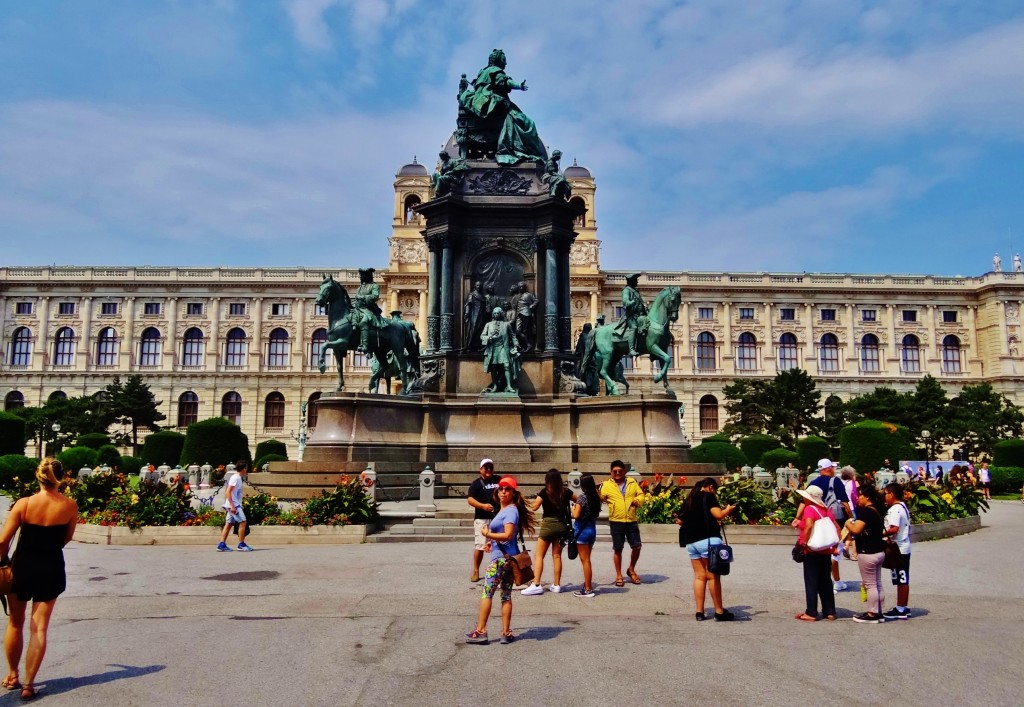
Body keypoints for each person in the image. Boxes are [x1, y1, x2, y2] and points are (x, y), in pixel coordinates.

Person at [0, 458, 78, 700]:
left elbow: (3, 541)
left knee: (15, 622)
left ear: (38, 476)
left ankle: (13, 675)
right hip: (51, 568)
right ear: (62, 477)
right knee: (39, 628)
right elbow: (67, 538)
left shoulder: (24, 504)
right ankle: (29, 684)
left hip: (21, 568)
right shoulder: (70, 506)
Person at [465, 476, 536, 645]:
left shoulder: (510, 511)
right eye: (501, 488)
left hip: (500, 561)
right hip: (507, 560)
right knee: (505, 596)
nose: (503, 491)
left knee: (487, 593)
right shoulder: (504, 510)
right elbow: (504, 538)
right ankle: (506, 632)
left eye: (508, 489)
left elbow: (508, 534)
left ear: (513, 493)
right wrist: (492, 542)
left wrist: (487, 534)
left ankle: (481, 631)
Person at [458, 48, 547, 165]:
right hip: (493, 105)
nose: (505, 63)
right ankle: (521, 151)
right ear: (498, 60)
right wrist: (519, 85)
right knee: (527, 123)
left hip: (478, 103)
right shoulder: (496, 71)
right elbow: (505, 82)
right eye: (504, 60)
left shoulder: (482, 72)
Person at [674, 477, 737, 621]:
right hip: (708, 540)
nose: (714, 492)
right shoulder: (708, 496)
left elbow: (680, 520)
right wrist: (728, 509)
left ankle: (699, 612)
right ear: (709, 487)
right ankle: (719, 611)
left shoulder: (690, 499)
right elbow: (718, 514)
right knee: (713, 576)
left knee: (699, 576)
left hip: (691, 542)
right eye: (714, 489)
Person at [522, 469, 575, 595]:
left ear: (547, 481)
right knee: (556, 556)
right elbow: (578, 499)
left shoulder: (545, 492)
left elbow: (534, 507)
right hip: (562, 525)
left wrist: (522, 501)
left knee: (539, 555)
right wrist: (574, 509)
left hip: (548, 525)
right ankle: (556, 585)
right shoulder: (565, 492)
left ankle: (536, 584)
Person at [794, 485, 841, 622]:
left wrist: (805, 543)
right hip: (826, 550)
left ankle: (811, 612)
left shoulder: (810, 509)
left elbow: (808, 525)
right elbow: (837, 528)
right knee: (825, 581)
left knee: (811, 581)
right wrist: (835, 546)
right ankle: (830, 611)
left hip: (812, 550)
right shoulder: (826, 510)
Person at [843, 485, 887, 623]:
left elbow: (856, 529)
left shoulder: (866, 512)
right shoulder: (878, 509)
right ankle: (879, 611)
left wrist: (848, 523)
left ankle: (872, 613)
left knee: (870, 585)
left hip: (867, 552)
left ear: (867, 497)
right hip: (879, 550)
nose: (857, 498)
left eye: (860, 495)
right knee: (877, 583)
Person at [597, 460, 644, 587]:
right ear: (611, 472)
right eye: (615, 471)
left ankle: (631, 569)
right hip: (616, 521)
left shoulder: (631, 482)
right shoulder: (606, 484)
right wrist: (597, 490)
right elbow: (601, 498)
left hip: (631, 519)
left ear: (624, 471)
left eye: (620, 471)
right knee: (618, 549)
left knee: (637, 546)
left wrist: (637, 501)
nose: (617, 473)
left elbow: (641, 495)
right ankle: (619, 575)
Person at [882, 483, 912, 620]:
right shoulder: (903, 506)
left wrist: (880, 534)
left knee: (902, 578)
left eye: (885, 494)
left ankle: (901, 608)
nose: (884, 496)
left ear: (891, 494)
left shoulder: (895, 509)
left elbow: (894, 528)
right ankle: (902, 606)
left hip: (899, 548)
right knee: (902, 578)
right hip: (903, 546)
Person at [467, 458, 500, 582]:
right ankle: (476, 570)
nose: (489, 470)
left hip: (497, 517)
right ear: (480, 469)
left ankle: (498, 570)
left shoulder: (498, 480)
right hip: (482, 518)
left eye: (491, 467)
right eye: (486, 468)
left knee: (499, 545)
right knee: (480, 545)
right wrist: (483, 506)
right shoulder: (476, 484)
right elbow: (470, 499)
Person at [571, 474, 600, 597]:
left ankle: (588, 589)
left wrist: (573, 509)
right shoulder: (596, 497)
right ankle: (586, 585)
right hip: (592, 530)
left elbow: (576, 515)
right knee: (587, 559)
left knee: (585, 561)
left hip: (582, 532)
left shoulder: (582, 498)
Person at [217, 461, 252, 551]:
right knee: (243, 522)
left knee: (228, 524)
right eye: (246, 468)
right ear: (244, 469)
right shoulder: (235, 478)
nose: (246, 470)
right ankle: (241, 544)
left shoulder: (237, 478)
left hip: (233, 504)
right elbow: (228, 492)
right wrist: (232, 506)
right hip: (234, 505)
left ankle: (222, 544)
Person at [610, 273, 647, 356]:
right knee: (633, 328)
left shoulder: (635, 291)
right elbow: (625, 301)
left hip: (641, 316)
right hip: (631, 316)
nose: (637, 281)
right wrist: (631, 302)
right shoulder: (626, 290)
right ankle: (631, 349)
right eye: (635, 280)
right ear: (631, 281)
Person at [463, 280, 487, 351]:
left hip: (481, 316)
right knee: (473, 329)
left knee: (480, 330)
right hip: (474, 314)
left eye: (480, 285)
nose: (479, 286)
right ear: (475, 286)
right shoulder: (472, 294)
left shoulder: (483, 297)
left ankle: (477, 346)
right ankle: (469, 346)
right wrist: (467, 313)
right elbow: (468, 304)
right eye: (477, 285)